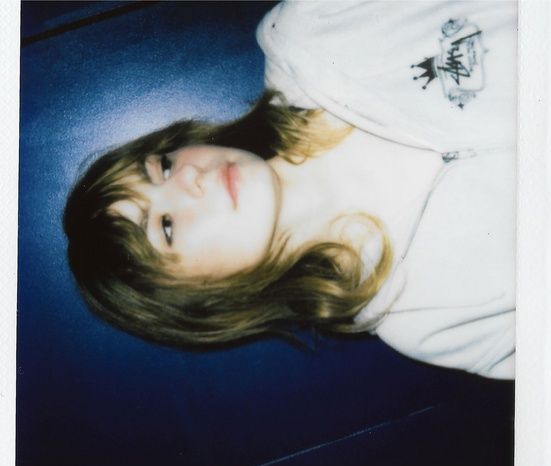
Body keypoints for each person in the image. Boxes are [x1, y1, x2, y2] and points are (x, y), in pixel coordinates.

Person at [64, 0, 517, 379]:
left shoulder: (314, 29)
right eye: (165, 226)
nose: (188, 179)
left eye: (162, 167)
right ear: (204, 296)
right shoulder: (426, 322)